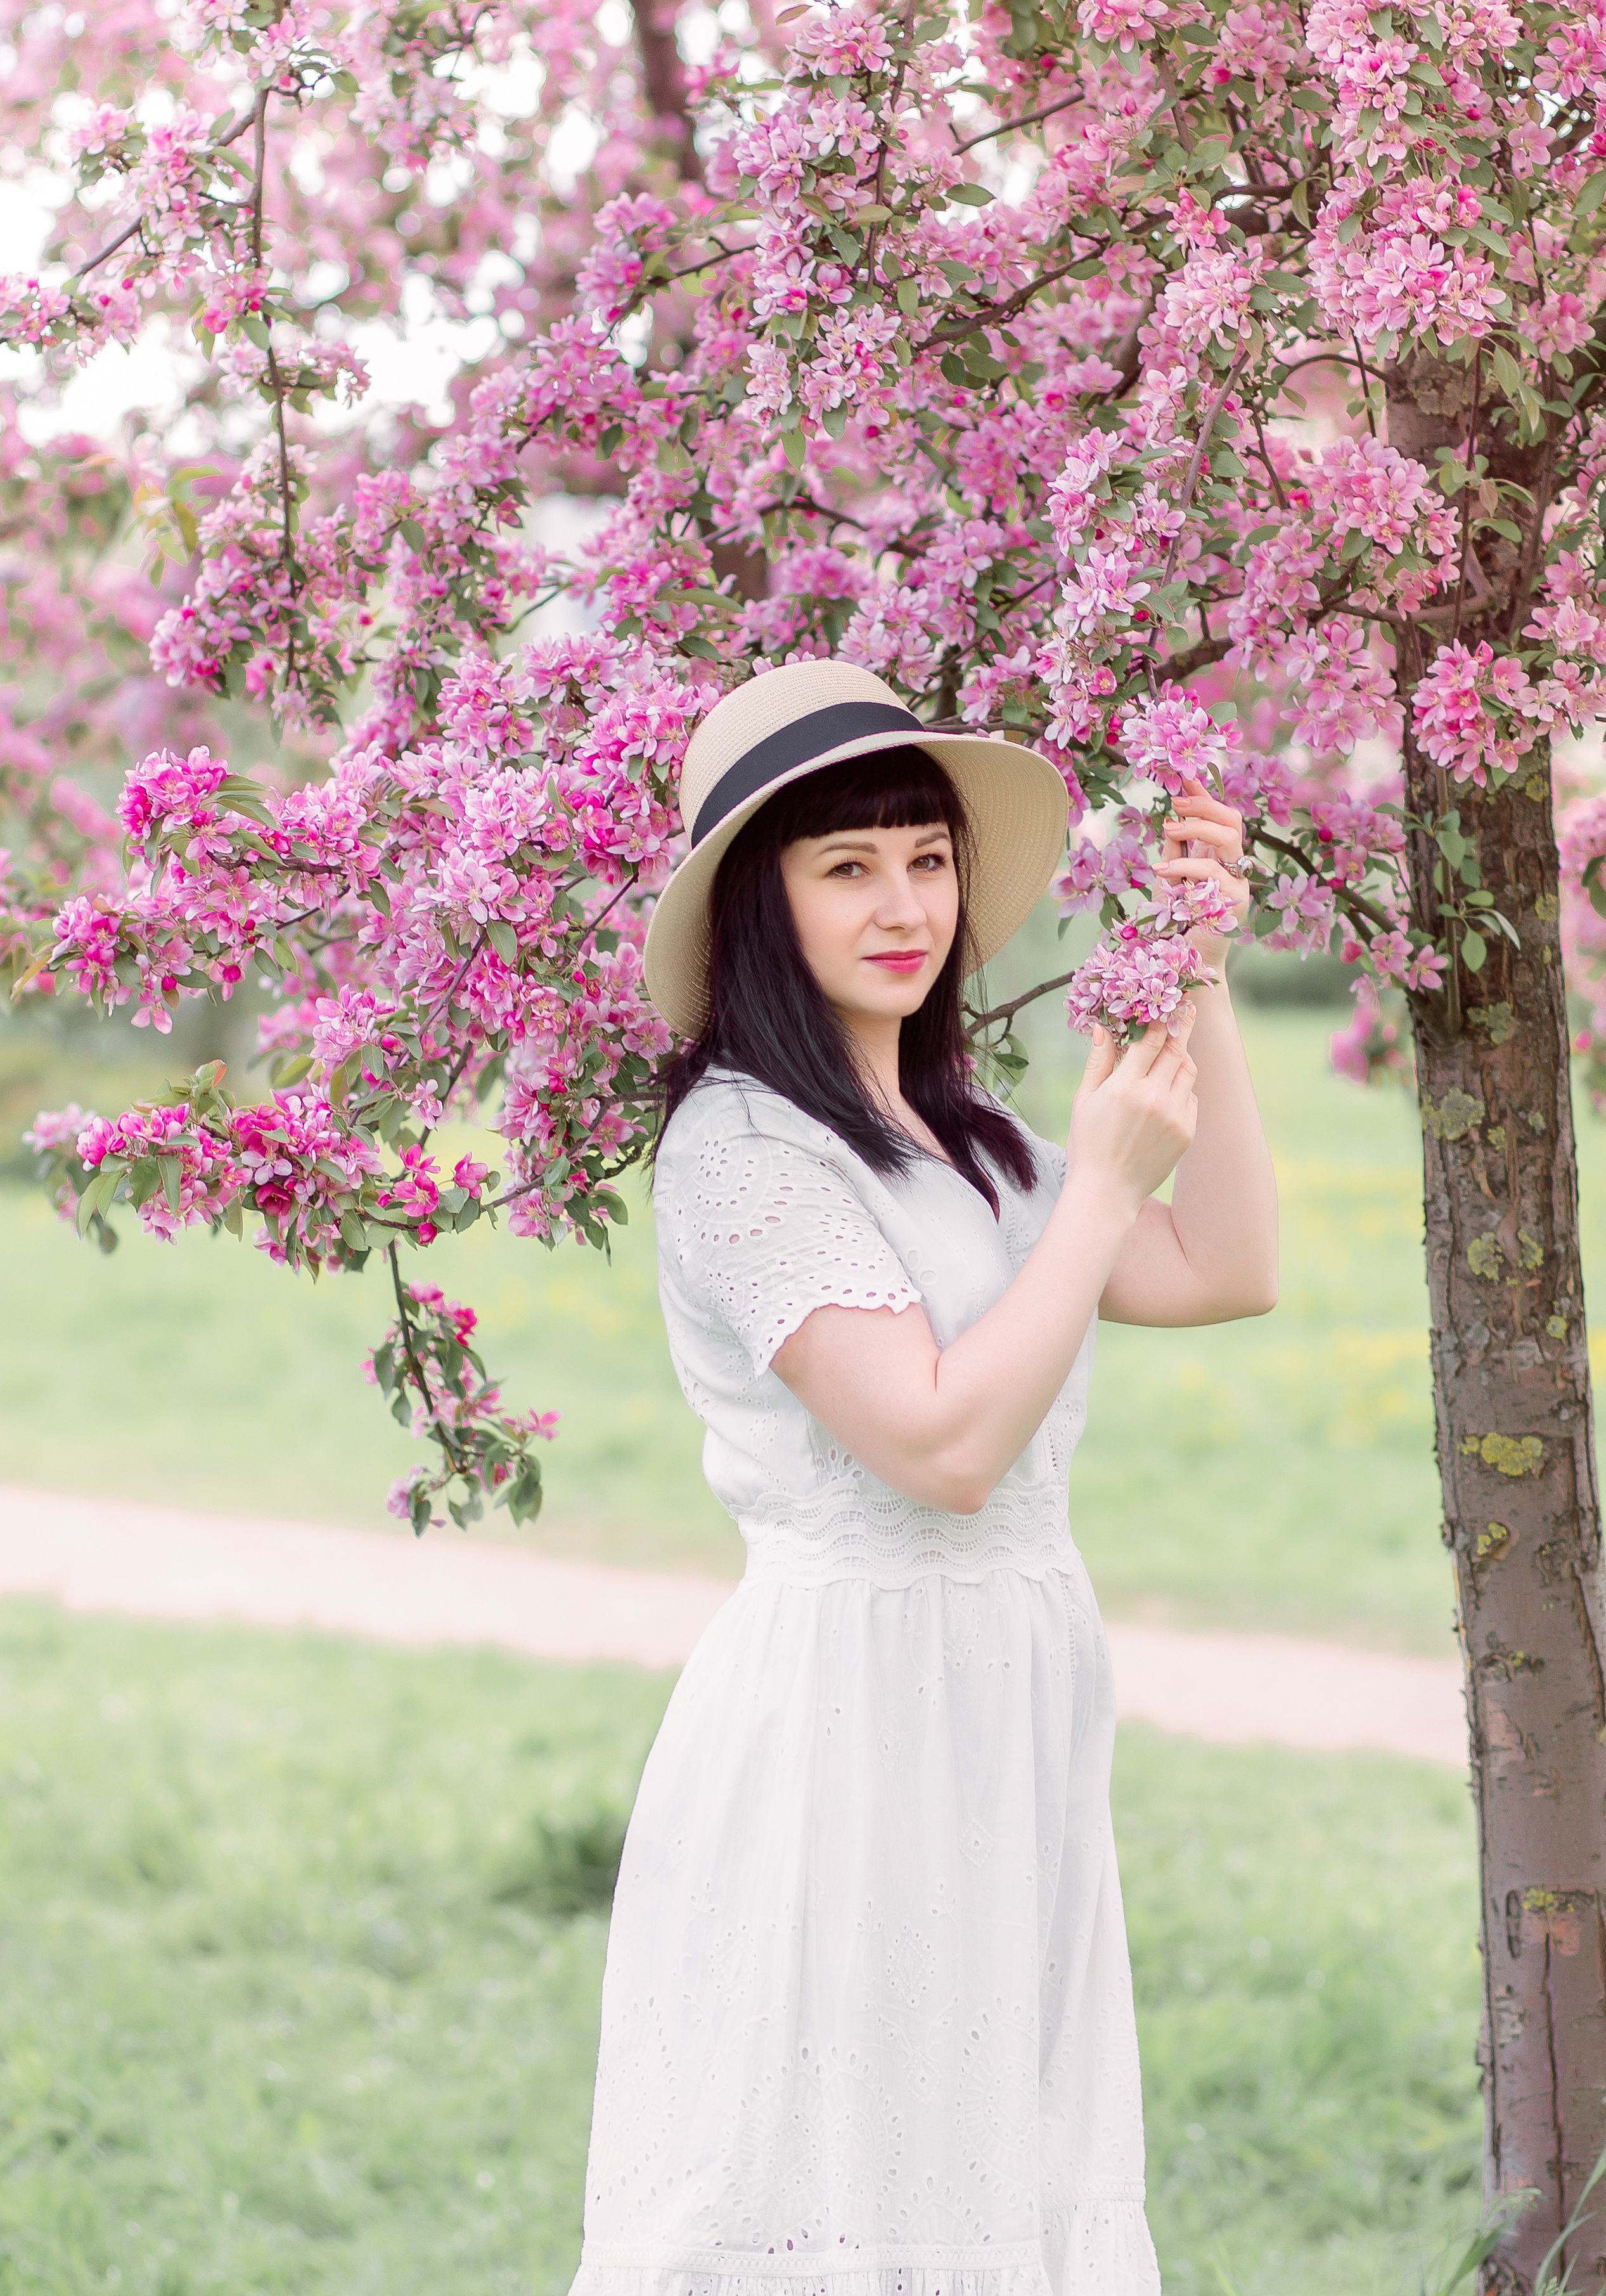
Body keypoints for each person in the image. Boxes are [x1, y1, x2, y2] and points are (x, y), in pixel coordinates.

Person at [568, 658, 1278, 2296]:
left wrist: (1206, 981)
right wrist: (1099, 1193)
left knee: (1000, 2185)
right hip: (841, 1730)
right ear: (765, 903)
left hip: (1011, 1721)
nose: (907, 903)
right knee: (836, 2188)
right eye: (848, 866)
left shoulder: (976, 1142)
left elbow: (1231, 1262)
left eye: (929, 857)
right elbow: (943, 1444)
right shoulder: (743, 1149)